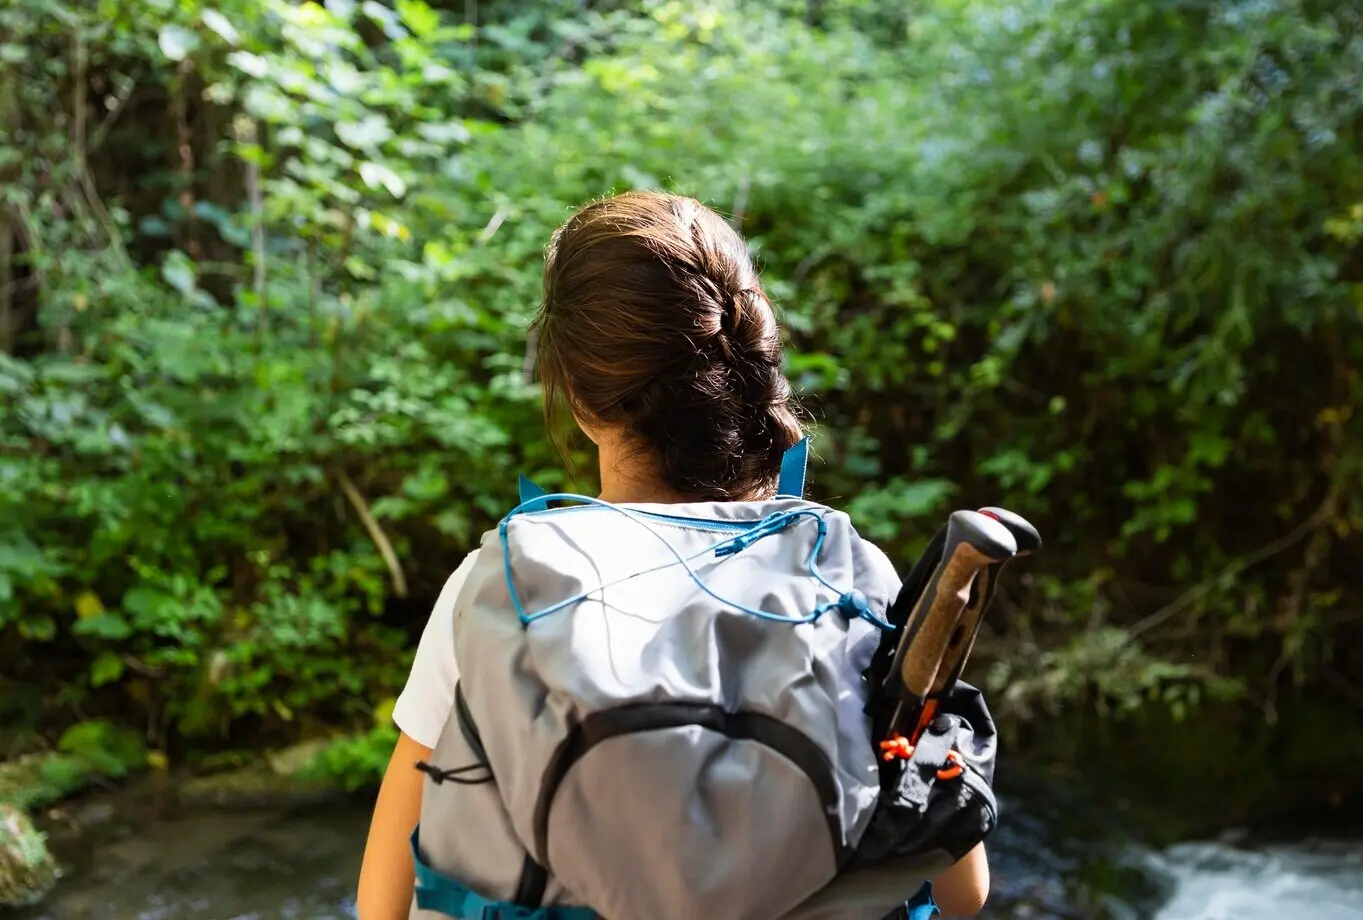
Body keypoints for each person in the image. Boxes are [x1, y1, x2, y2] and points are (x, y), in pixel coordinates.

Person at [356, 191, 991, 920]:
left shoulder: (500, 586)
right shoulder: (853, 574)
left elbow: (384, 899)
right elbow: (962, 892)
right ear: (749, 366)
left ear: (576, 396)